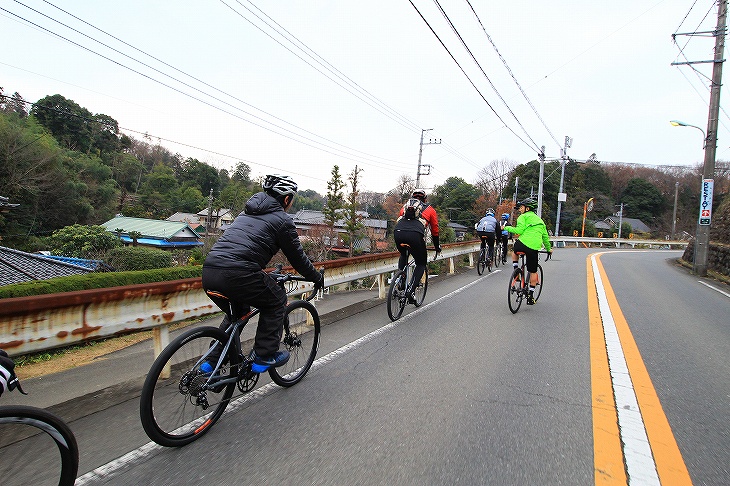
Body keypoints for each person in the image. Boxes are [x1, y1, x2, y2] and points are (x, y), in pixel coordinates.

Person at [202, 174, 324, 371]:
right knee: (276, 300)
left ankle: (210, 363)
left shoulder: (244, 214)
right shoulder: (282, 220)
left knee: (238, 313)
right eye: (291, 199)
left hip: (209, 271)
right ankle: (264, 355)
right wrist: (316, 277)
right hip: (238, 273)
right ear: (286, 199)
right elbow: (298, 259)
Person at [394, 190, 440, 303]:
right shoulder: (430, 209)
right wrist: (436, 246)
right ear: (425, 199)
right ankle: (410, 290)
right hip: (415, 235)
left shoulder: (405, 206)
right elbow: (435, 230)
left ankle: (401, 280)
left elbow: (400, 219)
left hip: (398, 232)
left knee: (404, 254)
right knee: (420, 263)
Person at [503, 198, 552, 305]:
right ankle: (530, 295)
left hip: (521, 244)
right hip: (533, 247)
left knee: (514, 252)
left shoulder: (522, 217)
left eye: (521, 207)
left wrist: (506, 228)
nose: (520, 209)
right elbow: (545, 238)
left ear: (527, 208)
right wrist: (549, 249)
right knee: (533, 271)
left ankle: (516, 271)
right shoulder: (540, 221)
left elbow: (519, 231)